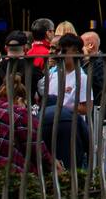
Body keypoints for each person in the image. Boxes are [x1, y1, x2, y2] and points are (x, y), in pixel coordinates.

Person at [39, 33, 91, 168]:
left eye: (64, 50)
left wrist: (63, 108)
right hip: (49, 129)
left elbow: (86, 108)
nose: (60, 54)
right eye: (59, 50)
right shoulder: (52, 75)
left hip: (70, 132)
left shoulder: (82, 78)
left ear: (75, 51)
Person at [81, 30, 106, 110]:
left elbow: (91, 83)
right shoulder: (84, 61)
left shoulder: (101, 63)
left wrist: (87, 61)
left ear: (90, 45)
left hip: (96, 108)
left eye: (81, 45)